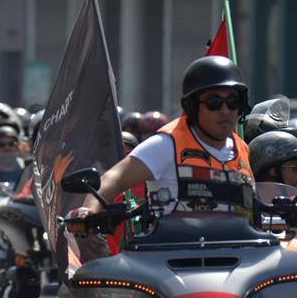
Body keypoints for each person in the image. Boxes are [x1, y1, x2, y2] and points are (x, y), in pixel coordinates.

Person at [68, 55, 253, 233]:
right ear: (192, 106)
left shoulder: (243, 150)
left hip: (239, 256)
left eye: (232, 102)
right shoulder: (167, 144)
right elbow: (114, 179)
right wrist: (88, 211)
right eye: (214, 102)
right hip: (177, 257)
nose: (225, 110)